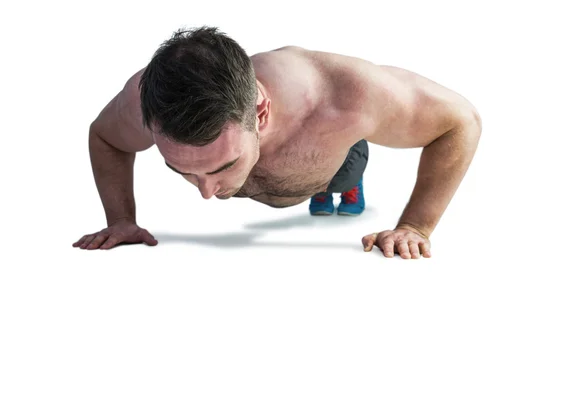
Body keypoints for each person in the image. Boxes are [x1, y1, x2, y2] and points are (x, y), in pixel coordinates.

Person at [72, 26, 482, 259]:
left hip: (333, 159)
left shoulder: (347, 95)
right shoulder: (145, 101)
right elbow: (106, 137)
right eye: (181, 169)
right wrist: (120, 219)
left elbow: (460, 122)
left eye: (220, 167)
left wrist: (415, 226)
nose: (206, 194)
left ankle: (348, 180)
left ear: (261, 112)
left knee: (341, 178)